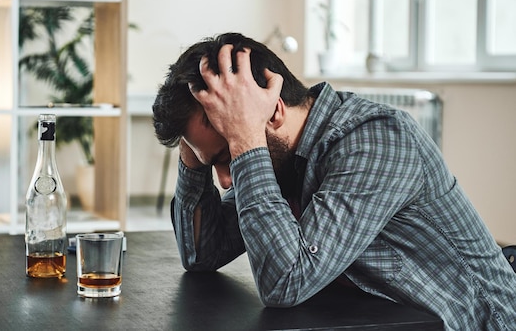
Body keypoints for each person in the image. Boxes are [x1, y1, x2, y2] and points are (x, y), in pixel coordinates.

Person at [152, 32, 516, 330]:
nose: (227, 181)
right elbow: (202, 254)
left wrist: (244, 139)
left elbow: (285, 281)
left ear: (273, 111)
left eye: (225, 156)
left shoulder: (377, 141)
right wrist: (194, 151)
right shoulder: (284, 158)